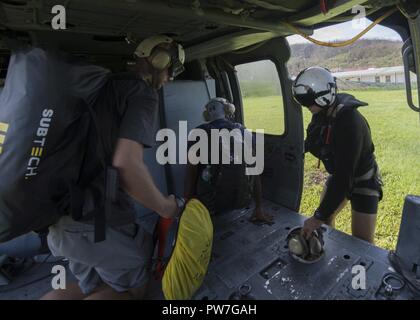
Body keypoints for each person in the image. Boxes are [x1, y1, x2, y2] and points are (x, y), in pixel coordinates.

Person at [41, 35, 186, 300]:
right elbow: (125, 164)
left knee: (90, 289)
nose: (171, 78)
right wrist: (166, 207)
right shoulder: (143, 93)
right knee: (132, 290)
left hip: (62, 220)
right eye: (171, 69)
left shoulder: (100, 88)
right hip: (98, 223)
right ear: (158, 61)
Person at [292, 66, 383, 244]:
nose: (307, 107)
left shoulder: (350, 121)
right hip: (340, 176)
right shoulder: (321, 112)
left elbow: (344, 175)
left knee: (363, 243)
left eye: (309, 103)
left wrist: (318, 216)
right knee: (325, 220)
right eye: (304, 103)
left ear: (324, 96)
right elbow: (311, 142)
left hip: (363, 180)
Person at [184, 97, 272, 224]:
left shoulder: (198, 132)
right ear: (227, 110)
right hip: (242, 200)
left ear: (207, 114)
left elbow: (191, 172)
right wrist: (258, 207)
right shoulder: (242, 130)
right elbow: (255, 170)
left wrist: (187, 205)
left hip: (210, 206)